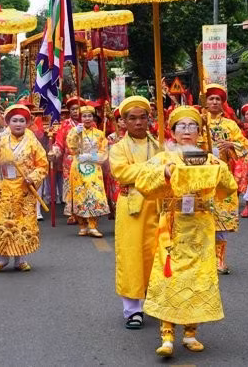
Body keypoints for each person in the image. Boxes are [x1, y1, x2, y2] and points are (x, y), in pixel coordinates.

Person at [136, 106, 236, 358]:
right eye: (182, 126)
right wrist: (165, 173)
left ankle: (190, 333)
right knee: (169, 277)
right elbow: (143, 182)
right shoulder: (164, 158)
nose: (187, 131)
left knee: (198, 279)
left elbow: (229, 187)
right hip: (172, 226)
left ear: (200, 132)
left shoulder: (210, 159)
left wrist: (219, 169)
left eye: (193, 126)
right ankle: (167, 335)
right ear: (173, 132)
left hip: (201, 226)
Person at [109, 96, 159, 330]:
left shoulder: (160, 145)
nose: (138, 123)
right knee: (132, 257)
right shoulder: (118, 148)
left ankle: (156, 302)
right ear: (124, 123)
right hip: (132, 208)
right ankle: (133, 310)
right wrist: (155, 168)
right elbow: (122, 173)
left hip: (158, 207)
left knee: (157, 255)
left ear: (149, 120)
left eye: (143, 118)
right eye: (132, 118)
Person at [0, 104, 48, 272]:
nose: (18, 124)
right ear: (8, 122)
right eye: (14, 120)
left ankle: (20, 259)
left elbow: (42, 165)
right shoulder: (0, 138)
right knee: (1, 222)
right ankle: (0, 259)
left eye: (22, 121)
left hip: (24, 188)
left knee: (24, 223)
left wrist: (33, 177)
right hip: (3, 188)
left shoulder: (32, 141)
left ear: (27, 123)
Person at [204, 84, 248, 274]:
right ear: (205, 101)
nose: (214, 102)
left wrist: (231, 144)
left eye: (218, 100)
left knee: (220, 220)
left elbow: (244, 146)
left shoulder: (230, 125)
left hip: (221, 178)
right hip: (200, 178)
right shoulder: (198, 121)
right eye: (211, 99)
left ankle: (219, 260)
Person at [66, 104, 110, 236]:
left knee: (94, 193)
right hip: (78, 167)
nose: (87, 118)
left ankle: (92, 225)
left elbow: (104, 153)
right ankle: (82, 225)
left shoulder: (100, 134)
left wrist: (91, 156)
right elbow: (72, 148)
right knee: (80, 194)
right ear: (81, 117)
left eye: (89, 116)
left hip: (94, 167)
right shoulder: (75, 131)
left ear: (93, 117)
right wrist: (75, 134)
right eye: (84, 116)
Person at [50, 97, 84, 225]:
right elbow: (59, 142)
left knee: (84, 184)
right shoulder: (65, 124)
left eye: (78, 109)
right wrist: (54, 152)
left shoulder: (89, 123)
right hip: (69, 160)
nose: (76, 112)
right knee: (70, 185)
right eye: (73, 109)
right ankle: (71, 212)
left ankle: (83, 210)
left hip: (85, 159)